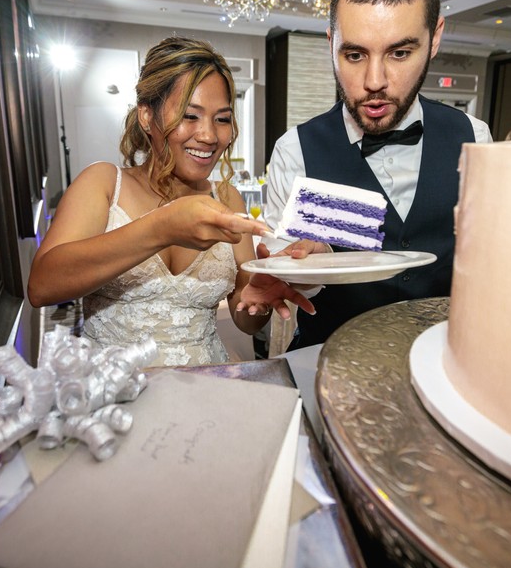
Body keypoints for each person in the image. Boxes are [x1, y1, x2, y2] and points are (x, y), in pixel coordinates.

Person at [28, 36, 313, 367]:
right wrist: (161, 228)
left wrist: (258, 298)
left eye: (222, 119)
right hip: (115, 395)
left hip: (204, 387)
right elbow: (42, 286)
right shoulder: (104, 184)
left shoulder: (227, 197)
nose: (209, 135)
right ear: (147, 117)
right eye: (190, 116)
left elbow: (245, 320)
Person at [259, 0, 493, 349]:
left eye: (400, 53)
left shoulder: (474, 138)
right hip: (327, 364)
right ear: (330, 43)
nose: (374, 81)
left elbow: (490, 266)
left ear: (434, 38)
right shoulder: (296, 151)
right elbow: (290, 288)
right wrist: (309, 268)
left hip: (441, 365)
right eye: (354, 54)